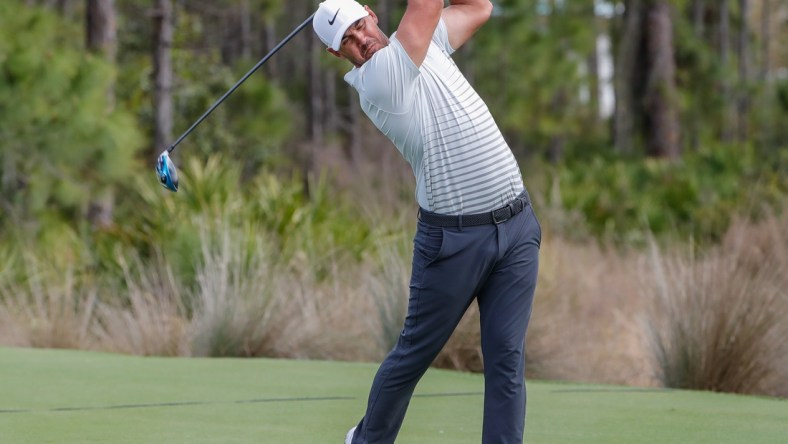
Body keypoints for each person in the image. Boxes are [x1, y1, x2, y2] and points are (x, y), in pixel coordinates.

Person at [312, 1, 541, 443]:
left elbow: (478, 8)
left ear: (372, 14)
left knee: (506, 358)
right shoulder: (378, 81)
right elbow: (426, 6)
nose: (361, 40)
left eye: (360, 26)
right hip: (453, 242)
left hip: (516, 227)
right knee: (415, 355)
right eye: (348, 41)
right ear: (338, 55)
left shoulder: (421, 44)